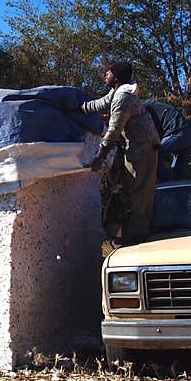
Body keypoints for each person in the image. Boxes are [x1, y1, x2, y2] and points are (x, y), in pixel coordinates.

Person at [81, 61, 160, 244]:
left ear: (116, 77)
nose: (105, 75)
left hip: (143, 149)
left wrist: (99, 157)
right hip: (135, 149)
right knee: (132, 189)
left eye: (107, 72)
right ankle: (135, 231)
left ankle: (139, 237)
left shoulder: (122, 98)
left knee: (140, 193)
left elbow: (113, 132)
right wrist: (80, 108)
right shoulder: (116, 93)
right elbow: (100, 104)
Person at [144, 99, 191, 182]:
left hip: (178, 132)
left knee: (154, 154)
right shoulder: (155, 105)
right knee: (179, 171)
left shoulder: (144, 109)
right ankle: (180, 191)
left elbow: (153, 134)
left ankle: (166, 184)